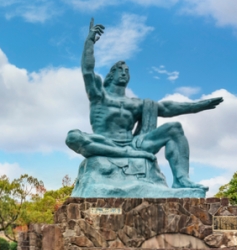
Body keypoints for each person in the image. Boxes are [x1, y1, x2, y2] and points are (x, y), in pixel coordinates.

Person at [65, 19, 223, 190]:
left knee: (174, 128)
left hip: (134, 144)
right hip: (105, 141)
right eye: (121, 71)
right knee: (73, 137)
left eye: (127, 71)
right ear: (111, 75)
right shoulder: (99, 95)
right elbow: (87, 70)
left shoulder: (136, 104)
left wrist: (197, 106)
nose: (125, 73)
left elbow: (167, 108)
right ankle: (124, 154)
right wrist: (89, 42)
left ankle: (181, 179)